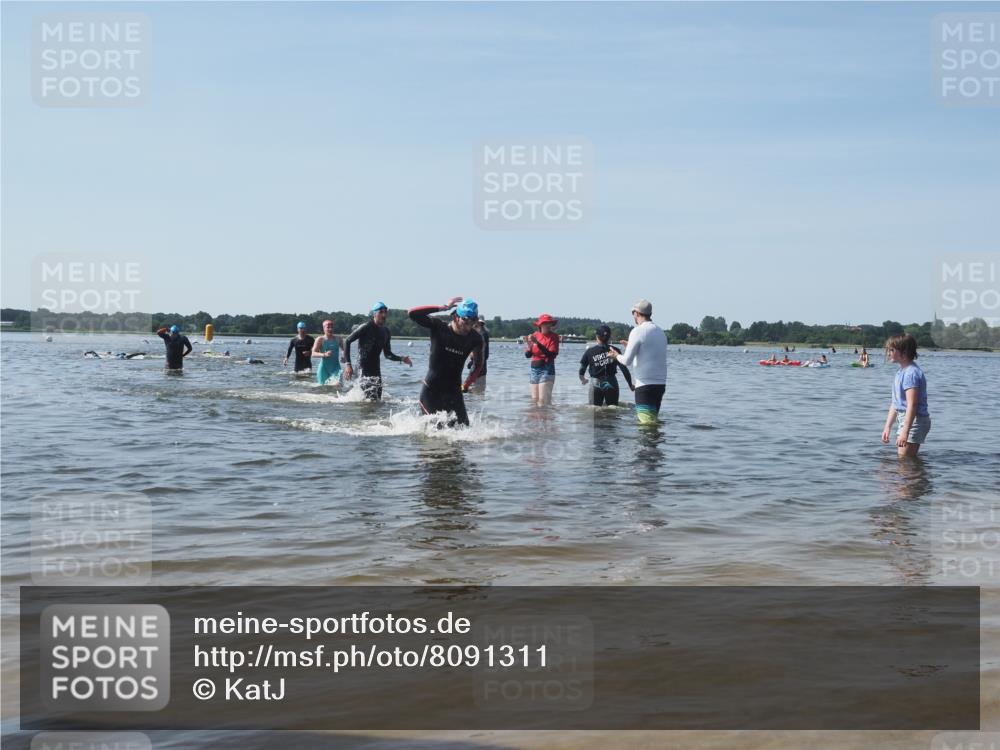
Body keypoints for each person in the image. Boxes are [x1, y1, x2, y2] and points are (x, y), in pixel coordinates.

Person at [408, 297, 484, 427]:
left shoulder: (475, 339)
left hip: (454, 392)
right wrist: (443, 307)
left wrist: (466, 384)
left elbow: (478, 365)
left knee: (465, 431)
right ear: (456, 317)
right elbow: (412, 313)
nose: (468, 327)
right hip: (431, 392)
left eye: (472, 322)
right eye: (465, 322)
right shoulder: (439, 327)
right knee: (436, 432)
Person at [608, 299, 667, 424]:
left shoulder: (637, 331)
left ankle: (646, 444)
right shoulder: (660, 332)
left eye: (633, 313)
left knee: (646, 425)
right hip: (660, 385)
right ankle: (655, 443)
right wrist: (631, 346)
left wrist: (616, 355)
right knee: (653, 422)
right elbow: (650, 353)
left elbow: (626, 361)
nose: (633, 316)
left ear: (637, 313)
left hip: (644, 386)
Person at [342, 302, 413, 400]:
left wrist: (402, 358)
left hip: (376, 370)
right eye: (381, 312)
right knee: (366, 401)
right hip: (362, 369)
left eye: (385, 312)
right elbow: (347, 341)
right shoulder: (366, 327)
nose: (384, 315)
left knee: (377, 400)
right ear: (375, 314)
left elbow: (387, 354)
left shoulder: (386, 332)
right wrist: (348, 365)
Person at [881, 334, 930, 457]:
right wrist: (887, 427)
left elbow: (912, 404)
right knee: (906, 462)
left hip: (915, 420)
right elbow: (896, 403)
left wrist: (905, 432)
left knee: (904, 461)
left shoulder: (911, 374)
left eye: (892, 350)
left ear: (904, 352)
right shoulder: (901, 372)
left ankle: (915, 476)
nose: (888, 353)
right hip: (906, 419)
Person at [579, 325, 634, 406]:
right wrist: (630, 384)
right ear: (609, 337)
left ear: (597, 336)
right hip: (611, 382)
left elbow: (582, 370)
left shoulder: (589, 352)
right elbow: (624, 369)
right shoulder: (615, 351)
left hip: (595, 384)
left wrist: (582, 379)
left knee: (594, 412)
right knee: (612, 411)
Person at [524, 313, 559, 406]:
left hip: (547, 369)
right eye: (546, 323)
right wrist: (529, 344)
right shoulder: (535, 335)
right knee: (534, 401)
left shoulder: (554, 337)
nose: (549, 325)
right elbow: (528, 355)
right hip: (534, 370)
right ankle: (536, 420)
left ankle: (546, 419)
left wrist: (537, 343)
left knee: (543, 401)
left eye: (550, 323)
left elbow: (550, 354)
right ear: (540, 325)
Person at [311, 320, 343, 386]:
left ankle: (338, 396)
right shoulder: (320, 339)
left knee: (338, 384)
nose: (330, 329)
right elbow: (313, 354)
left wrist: (344, 357)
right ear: (324, 328)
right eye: (328, 327)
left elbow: (344, 350)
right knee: (323, 388)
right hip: (323, 369)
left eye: (332, 327)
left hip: (336, 367)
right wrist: (324, 354)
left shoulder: (338, 339)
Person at [466, 317, 490, 393]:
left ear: (478, 323)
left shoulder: (480, 334)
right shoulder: (484, 333)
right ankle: (477, 403)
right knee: (480, 388)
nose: (472, 324)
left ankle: (472, 403)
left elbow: (475, 353)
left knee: (470, 387)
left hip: (478, 365)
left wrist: (470, 354)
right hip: (483, 364)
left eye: (474, 322)